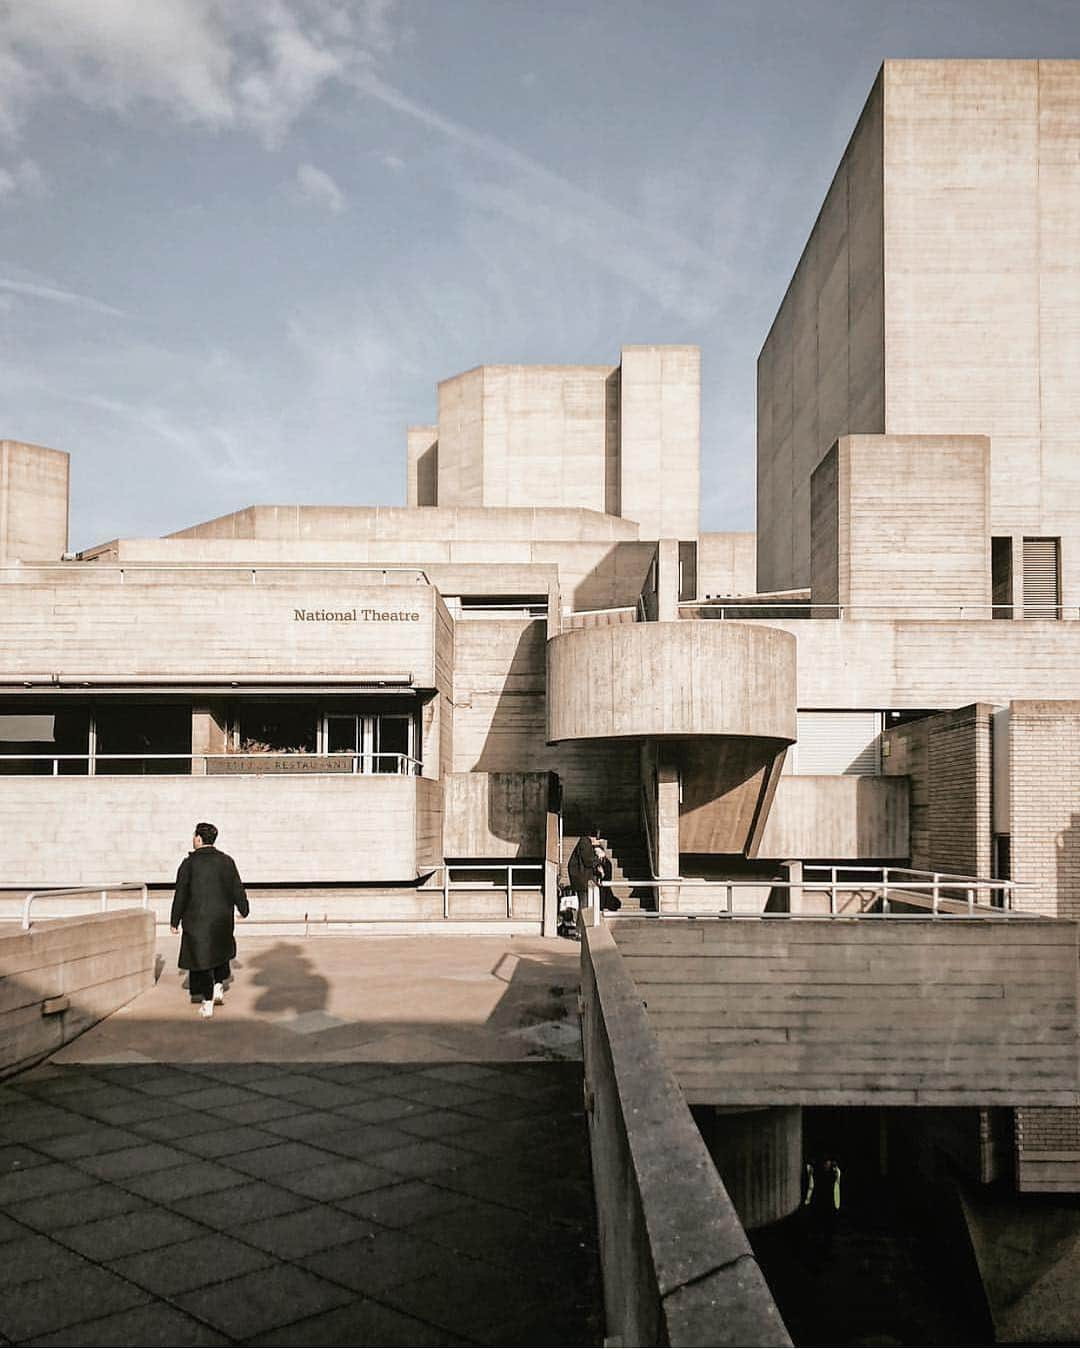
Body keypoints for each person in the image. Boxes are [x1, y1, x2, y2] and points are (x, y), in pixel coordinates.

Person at [170, 822, 249, 1019]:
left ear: (198, 838)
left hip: (197, 920)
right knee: (219, 953)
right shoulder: (226, 861)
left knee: (202, 959)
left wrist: (174, 920)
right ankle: (218, 987)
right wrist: (244, 909)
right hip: (222, 918)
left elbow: (181, 894)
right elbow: (237, 888)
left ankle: (207, 1002)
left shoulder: (189, 864)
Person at [803, 1156, 842, 1251]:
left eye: (827, 1163)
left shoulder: (833, 1173)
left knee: (827, 1227)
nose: (826, 1165)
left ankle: (826, 1244)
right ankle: (821, 1244)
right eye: (825, 1163)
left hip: (828, 1203)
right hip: (821, 1201)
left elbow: (836, 1188)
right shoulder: (820, 1174)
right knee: (821, 1225)